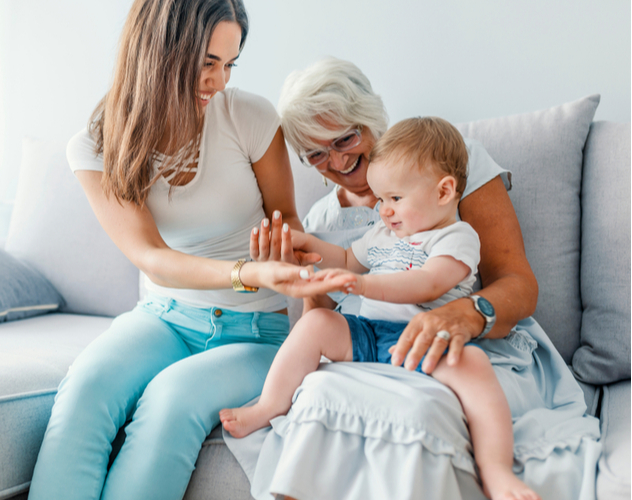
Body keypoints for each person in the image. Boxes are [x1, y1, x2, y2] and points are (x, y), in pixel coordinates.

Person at [223, 58, 600, 500]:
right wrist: (299, 263)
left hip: (460, 337)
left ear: (370, 119)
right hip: (371, 343)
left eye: (345, 138)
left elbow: (515, 282)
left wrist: (467, 313)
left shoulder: (449, 164)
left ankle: (491, 470)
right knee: (321, 392)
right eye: (317, 154)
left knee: (421, 408)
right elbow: (325, 306)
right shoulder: (324, 217)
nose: (338, 160)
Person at [25, 2, 337, 499]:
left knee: (170, 400)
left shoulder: (249, 116)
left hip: (258, 334)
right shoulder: (96, 144)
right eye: (207, 62)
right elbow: (150, 257)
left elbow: (290, 223)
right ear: (159, 52)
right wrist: (248, 271)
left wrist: (291, 260)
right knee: (84, 389)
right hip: (164, 318)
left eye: (229, 64)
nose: (218, 81)